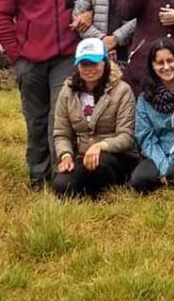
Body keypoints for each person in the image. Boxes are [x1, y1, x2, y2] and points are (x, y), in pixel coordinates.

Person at [0, 0, 90, 189]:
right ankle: (38, 176)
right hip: (31, 60)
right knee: (35, 119)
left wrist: (90, 13)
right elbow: (2, 16)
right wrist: (17, 55)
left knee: (60, 118)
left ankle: (62, 174)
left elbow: (92, 1)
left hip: (65, 58)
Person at [51, 39, 138, 197]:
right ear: (77, 65)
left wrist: (100, 146)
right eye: (84, 64)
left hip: (115, 156)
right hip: (82, 156)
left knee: (98, 167)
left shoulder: (122, 90)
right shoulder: (67, 91)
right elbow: (61, 132)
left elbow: (126, 136)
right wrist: (66, 155)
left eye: (95, 63)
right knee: (60, 186)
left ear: (105, 62)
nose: (89, 69)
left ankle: (106, 191)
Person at [129, 39, 174, 194]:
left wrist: (173, 161)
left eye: (170, 61)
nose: (166, 67)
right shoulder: (145, 97)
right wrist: (163, 163)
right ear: (152, 66)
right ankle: (164, 177)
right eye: (160, 63)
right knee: (139, 180)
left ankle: (171, 177)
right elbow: (145, 136)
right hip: (159, 153)